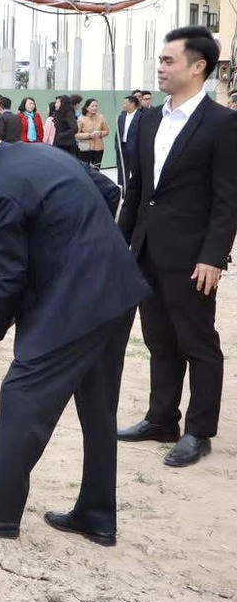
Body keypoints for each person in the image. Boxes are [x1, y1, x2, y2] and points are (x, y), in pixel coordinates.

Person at [0, 103, 146, 544]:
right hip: (115, 290)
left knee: (23, 392)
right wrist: (76, 251)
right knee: (98, 408)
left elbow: (10, 279)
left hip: (75, 303)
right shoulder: (39, 154)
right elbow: (105, 193)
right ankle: (97, 515)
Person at [117, 26, 237, 468]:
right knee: (158, 339)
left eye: (169, 61)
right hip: (147, 250)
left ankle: (199, 431)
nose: (160, 68)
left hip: (193, 257)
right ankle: (161, 418)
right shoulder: (149, 119)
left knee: (198, 342)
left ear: (198, 66)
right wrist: (119, 246)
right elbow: (137, 191)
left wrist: (213, 256)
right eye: (161, 60)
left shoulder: (223, 124)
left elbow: (227, 200)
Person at [114, 94, 140, 188]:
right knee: (122, 170)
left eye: (125, 103)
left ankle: (134, 190)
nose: (123, 105)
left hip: (134, 148)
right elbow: (118, 132)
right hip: (122, 147)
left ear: (132, 104)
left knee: (134, 170)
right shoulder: (122, 115)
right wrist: (117, 145)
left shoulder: (140, 116)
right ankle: (124, 189)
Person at [75, 98, 109, 166]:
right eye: (92, 106)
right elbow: (76, 134)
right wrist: (89, 135)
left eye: (96, 106)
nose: (95, 108)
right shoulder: (81, 119)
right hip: (85, 147)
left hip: (98, 147)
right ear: (87, 107)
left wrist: (100, 133)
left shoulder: (101, 117)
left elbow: (107, 131)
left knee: (96, 168)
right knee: (85, 169)